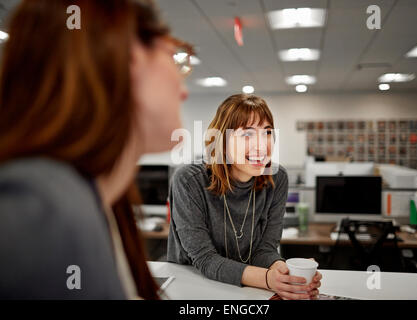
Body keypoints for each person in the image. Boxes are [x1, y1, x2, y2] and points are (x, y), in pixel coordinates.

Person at [0, 0, 191, 299]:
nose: (184, 84)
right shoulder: (43, 212)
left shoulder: (102, 202)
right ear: (128, 56)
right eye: (174, 55)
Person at [168, 94, 322, 300]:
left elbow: (265, 250)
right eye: (247, 134)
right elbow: (205, 259)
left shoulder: (277, 178)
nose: (261, 145)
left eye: (267, 132)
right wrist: (269, 279)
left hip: (246, 291)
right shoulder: (189, 180)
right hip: (193, 288)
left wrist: (286, 276)